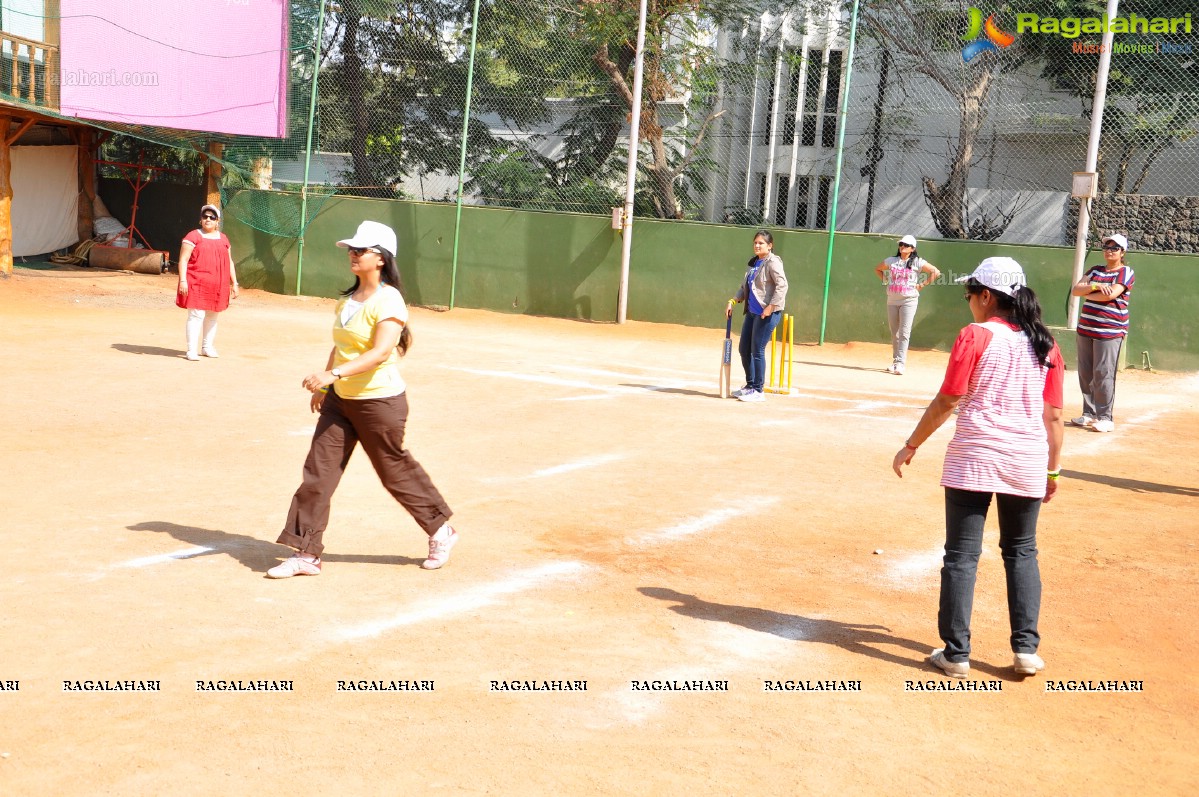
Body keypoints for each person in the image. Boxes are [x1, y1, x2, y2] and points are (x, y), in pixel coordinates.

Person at [892, 256, 1064, 679]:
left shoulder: (975, 335)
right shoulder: (1046, 343)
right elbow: (1054, 416)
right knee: (1022, 551)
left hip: (975, 456)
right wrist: (1053, 471)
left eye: (970, 295)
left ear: (987, 296)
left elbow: (949, 399)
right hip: (1026, 459)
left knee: (962, 555)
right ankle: (1026, 650)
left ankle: (957, 653)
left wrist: (912, 443)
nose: (969, 302)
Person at [268, 220, 458, 578]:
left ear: (382, 258)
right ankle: (306, 554)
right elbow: (341, 347)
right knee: (317, 476)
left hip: (379, 403)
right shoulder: (349, 299)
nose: (353, 255)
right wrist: (327, 387)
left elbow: (381, 351)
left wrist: (332, 376)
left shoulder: (390, 300)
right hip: (341, 401)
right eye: (351, 250)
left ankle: (440, 529)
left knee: (394, 472)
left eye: (361, 250)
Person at [1069, 233, 1135, 433]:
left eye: (1114, 248)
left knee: (1103, 373)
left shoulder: (1126, 272)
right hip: (1086, 328)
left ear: (1122, 252)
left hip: (1110, 330)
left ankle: (1105, 417)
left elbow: (1112, 295)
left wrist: (1089, 291)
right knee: (1086, 372)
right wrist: (1097, 286)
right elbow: (1076, 290)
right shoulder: (1095, 270)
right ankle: (1088, 414)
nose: (1109, 251)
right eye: (1106, 247)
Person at [727, 230, 788, 403]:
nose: (757, 245)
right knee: (744, 349)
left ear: (770, 246)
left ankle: (758, 390)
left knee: (757, 350)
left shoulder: (773, 262)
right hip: (752, 313)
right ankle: (750, 385)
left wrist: (771, 307)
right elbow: (745, 287)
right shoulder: (754, 263)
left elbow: (782, 286)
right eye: (755, 243)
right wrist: (733, 300)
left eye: (761, 243)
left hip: (766, 313)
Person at [176, 204, 238, 360]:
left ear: (217, 221)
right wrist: (183, 280)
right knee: (196, 316)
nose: (208, 219)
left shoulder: (223, 238)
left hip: (218, 285)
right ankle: (191, 350)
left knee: (212, 316)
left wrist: (234, 283)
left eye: (212, 217)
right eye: (205, 217)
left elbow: (229, 261)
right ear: (200, 220)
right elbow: (183, 260)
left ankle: (207, 347)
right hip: (197, 283)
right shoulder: (193, 236)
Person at [873, 234, 941, 375]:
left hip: (909, 301)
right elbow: (877, 269)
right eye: (901, 244)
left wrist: (922, 285)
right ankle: (895, 362)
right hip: (892, 300)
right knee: (895, 333)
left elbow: (936, 272)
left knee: (904, 332)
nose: (902, 246)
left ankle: (901, 364)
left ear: (912, 248)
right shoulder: (891, 261)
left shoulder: (917, 262)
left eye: (906, 245)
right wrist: (886, 279)